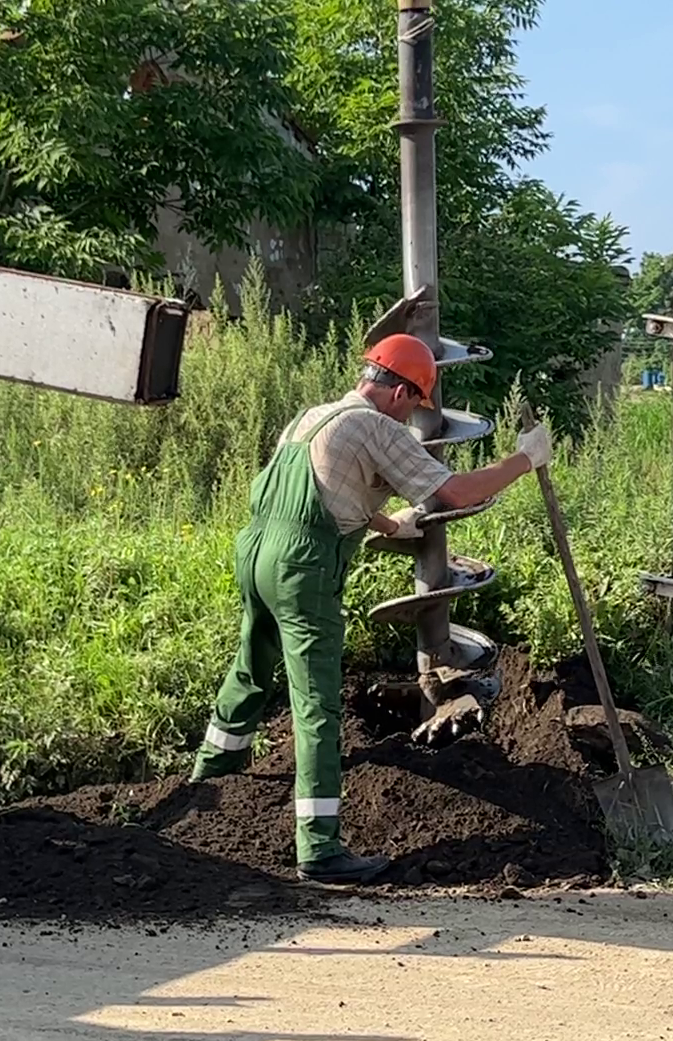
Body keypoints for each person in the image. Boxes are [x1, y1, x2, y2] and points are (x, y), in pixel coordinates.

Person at [189, 333, 554, 884]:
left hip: (257, 553)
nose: (413, 415)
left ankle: (207, 781)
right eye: (414, 403)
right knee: (315, 704)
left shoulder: (315, 416)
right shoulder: (375, 425)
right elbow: (453, 494)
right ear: (399, 391)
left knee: (251, 670)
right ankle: (319, 848)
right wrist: (524, 460)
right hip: (303, 566)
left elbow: (321, 488)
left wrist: (389, 525)